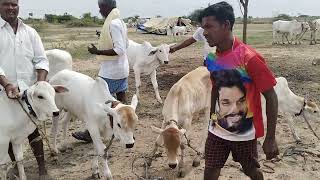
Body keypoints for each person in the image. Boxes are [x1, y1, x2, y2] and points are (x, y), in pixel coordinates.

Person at [201, 2, 279, 180]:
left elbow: (271, 96)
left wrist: (271, 138)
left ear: (226, 25)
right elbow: (216, 87)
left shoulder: (249, 58)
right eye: (203, 27)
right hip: (217, 131)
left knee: (251, 170)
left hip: (244, 133)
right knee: (210, 171)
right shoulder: (211, 58)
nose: (204, 32)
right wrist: (212, 116)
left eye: (209, 27)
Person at [0, 0, 50, 178]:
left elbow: (42, 60)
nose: (11, 8)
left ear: (18, 6)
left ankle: (42, 169)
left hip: (29, 92)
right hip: (4, 93)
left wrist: (40, 84)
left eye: (14, 4)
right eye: (6, 4)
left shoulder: (30, 32)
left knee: (33, 129)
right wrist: (6, 83)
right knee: (8, 131)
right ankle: (14, 166)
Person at [72, 0, 129, 143]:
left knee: (97, 102)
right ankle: (125, 126)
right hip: (122, 69)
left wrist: (97, 51)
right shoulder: (120, 21)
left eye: (100, 8)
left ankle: (90, 133)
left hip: (111, 71)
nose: (99, 11)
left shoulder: (113, 24)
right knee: (121, 100)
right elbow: (125, 45)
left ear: (105, 7)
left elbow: (119, 49)